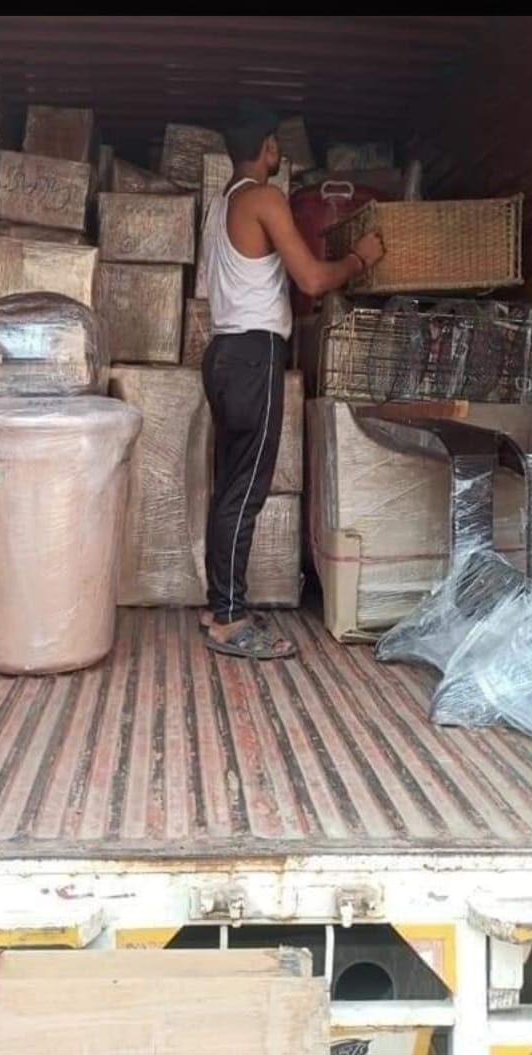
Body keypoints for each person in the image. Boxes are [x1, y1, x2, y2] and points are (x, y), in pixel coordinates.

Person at [200, 101, 385, 660]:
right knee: (246, 489)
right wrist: (359, 258)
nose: (280, 154)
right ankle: (230, 621)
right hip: (255, 354)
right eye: (278, 145)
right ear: (269, 148)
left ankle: (221, 605)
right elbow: (311, 277)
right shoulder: (263, 198)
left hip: (225, 353)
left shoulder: (219, 206)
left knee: (229, 485)